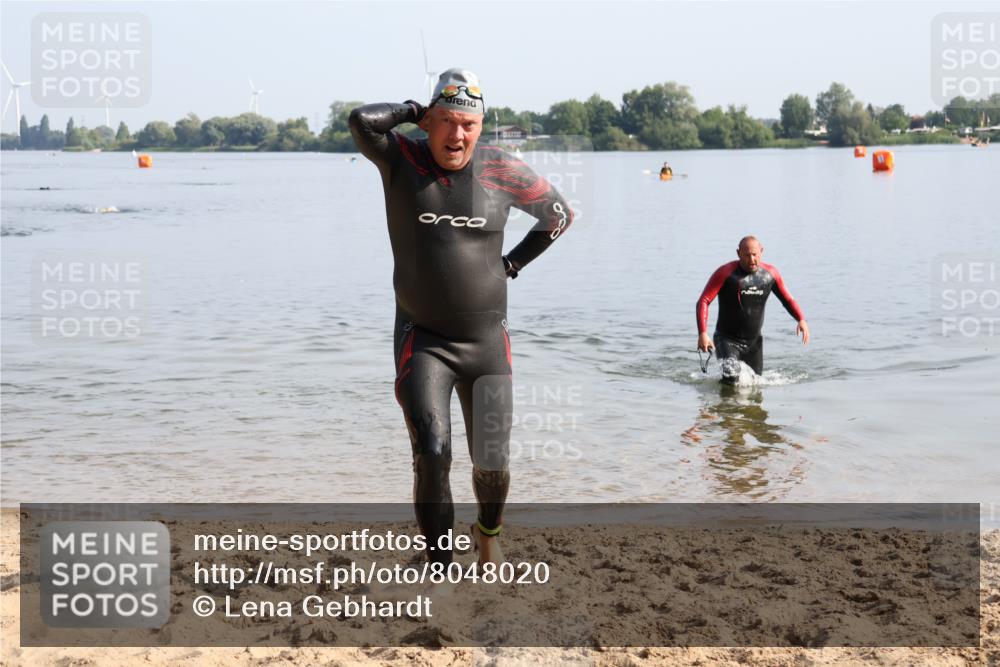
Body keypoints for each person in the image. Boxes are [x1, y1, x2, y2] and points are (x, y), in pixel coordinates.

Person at [349, 69, 572, 565]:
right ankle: (439, 562)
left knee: (492, 463)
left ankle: (488, 530)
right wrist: (411, 110)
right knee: (432, 452)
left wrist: (512, 264)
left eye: (468, 123)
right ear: (430, 122)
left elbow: (559, 216)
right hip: (422, 338)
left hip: (486, 340)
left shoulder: (502, 170)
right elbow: (361, 122)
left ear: (481, 125)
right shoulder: (401, 158)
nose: (457, 134)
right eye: (446, 121)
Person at [696, 236, 809, 384]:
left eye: (755, 254)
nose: (752, 259)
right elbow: (703, 301)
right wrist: (703, 333)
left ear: (761, 252)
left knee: (755, 385)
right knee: (731, 378)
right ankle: (720, 406)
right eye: (747, 255)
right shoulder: (725, 273)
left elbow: (787, 299)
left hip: (754, 343)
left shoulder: (770, 274)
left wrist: (800, 319)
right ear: (738, 254)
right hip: (727, 340)